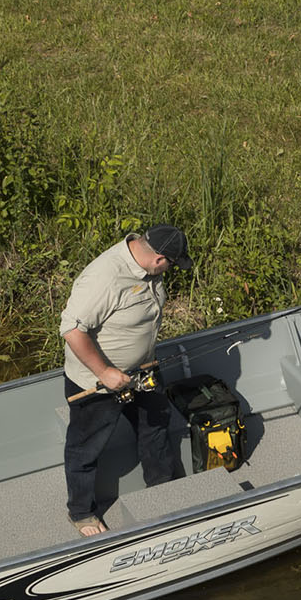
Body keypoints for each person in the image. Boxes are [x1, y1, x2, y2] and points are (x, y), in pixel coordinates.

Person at [60, 225, 193, 536]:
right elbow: (72, 330)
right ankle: (81, 512)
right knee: (85, 447)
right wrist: (105, 373)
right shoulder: (105, 277)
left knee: (155, 425)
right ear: (159, 259)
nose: (170, 271)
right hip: (98, 380)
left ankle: (162, 491)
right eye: (171, 265)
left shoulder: (149, 268)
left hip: (143, 370)